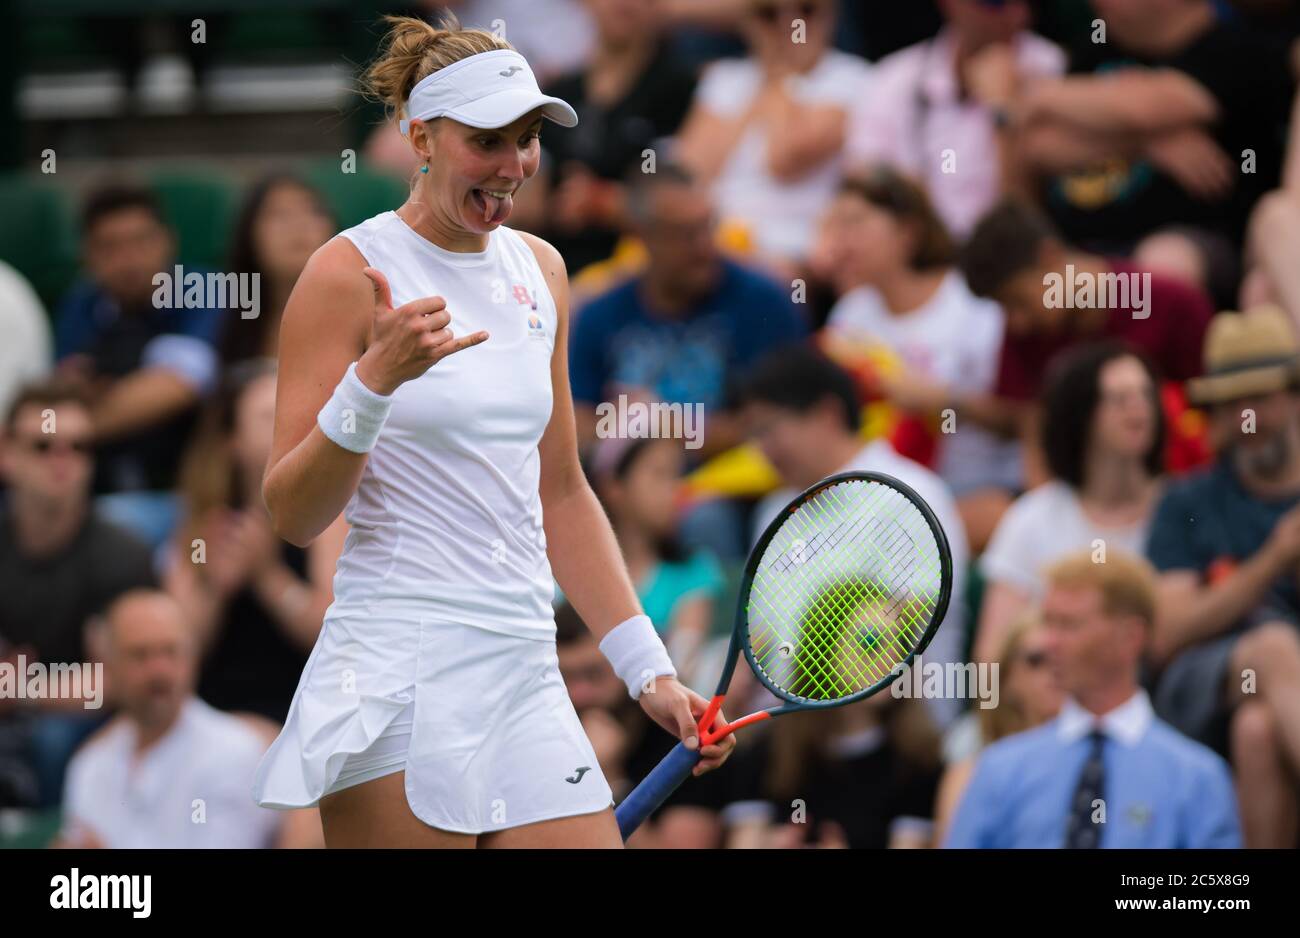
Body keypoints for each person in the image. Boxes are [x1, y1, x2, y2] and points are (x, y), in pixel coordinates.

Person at [250, 15, 733, 849]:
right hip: (395, 669)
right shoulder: (343, 274)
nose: (514, 167)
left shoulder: (543, 268)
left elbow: (562, 491)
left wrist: (648, 669)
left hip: (524, 666)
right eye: (487, 141)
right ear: (420, 138)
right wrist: (375, 382)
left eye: (528, 139)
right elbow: (292, 515)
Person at [739, 345, 971, 729]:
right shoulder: (771, 511)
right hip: (783, 740)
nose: (762, 450)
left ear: (827, 415)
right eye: (754, 434)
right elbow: (759, 637)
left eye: (769, 428)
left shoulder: (914, 494)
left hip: (897, 738)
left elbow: (913, 623)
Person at [945, 549, 1241, 848]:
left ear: (1130, 637)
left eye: (1069, 624)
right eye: (1049, 622)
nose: (1049, 642)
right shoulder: (1000, 769)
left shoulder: (1196, 779)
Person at [1146, 305, 1300, 848]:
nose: (1246, 416)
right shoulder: (1187, 501)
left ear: (1294, 395)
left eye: (1260, 396)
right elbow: (1167, 632)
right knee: (1274, 647)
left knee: (1258, 730)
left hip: (1271, 705)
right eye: (1231, 402)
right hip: (1203, 684)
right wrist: (1274, 559)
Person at [819, 167, 1021, 550]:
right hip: (877, 497)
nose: (840, 241)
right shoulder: (850, 314)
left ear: (907, 232)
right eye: (834, 226)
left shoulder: (972, 305)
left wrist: (942, 399)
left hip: (972, 487)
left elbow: (1017, 418)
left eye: (855, 223)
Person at [959, 198, 1213, 482]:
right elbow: (1029, 426)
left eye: (1017, 301)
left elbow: (1209, 418)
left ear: (1050, 257)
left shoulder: (1172, 303)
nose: (1016, 322)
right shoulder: (1025, 334)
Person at [1014, 0, 1294, 254]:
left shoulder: (1240, 48)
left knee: (1165, 258)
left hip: (1193, 242)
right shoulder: (1098, 44)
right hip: (1076, 247)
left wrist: (1040, 95)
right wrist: (1144, 145)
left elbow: (1144, 109)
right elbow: (1038, 143)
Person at [568, 163, 807, 459]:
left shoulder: (763, 303)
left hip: (725, 485)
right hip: (625, 486)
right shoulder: (599, 314)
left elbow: (781, 424)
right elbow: (576, 424)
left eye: (708, 226)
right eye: (685, 234)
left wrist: (662, 427)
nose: (704, 246)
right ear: (641, 236)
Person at [56, 590, 316, 848]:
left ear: (193, 658)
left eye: (171, 652)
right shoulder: (90, 764)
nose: (159, 670)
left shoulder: (235, 752)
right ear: (108, 664)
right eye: (140, 655)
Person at [0, 380, 156, 806]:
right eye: (42, 446)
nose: (61, 461)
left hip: (79, 724)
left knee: (55, 739)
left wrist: (23, 690)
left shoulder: (122, 554)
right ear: (6, 453)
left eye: (78, 447)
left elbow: (126, 676)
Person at [164, 361, 347, 723]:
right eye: (269, 416)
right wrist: (214, 588)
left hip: (296, 713)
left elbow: (331, 637)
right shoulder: (206, 522)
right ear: (233, 440)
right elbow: (175, 650)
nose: (291, 423)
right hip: (209, 714)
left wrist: (267, 578)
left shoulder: (328, 518)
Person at [977, 342, 1165, 663]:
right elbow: (992, 659)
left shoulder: (1181, 507)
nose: (1139, 409)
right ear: (1081, 413)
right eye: (1119, 398)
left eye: (1146, 394)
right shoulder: (1032, 518)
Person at [53, 184, 225, 500]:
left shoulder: (203, 289)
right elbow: (64, 388)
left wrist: (68, 430)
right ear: (87, 255)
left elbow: (178, 385)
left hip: (188, 490)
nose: (128, 259)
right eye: (110, 247)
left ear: (167, 241)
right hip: (96, 484)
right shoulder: (81, 304)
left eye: (140, 242)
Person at [673, 0, 873, 271]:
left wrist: (781, 78)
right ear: (746, 22)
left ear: (831, 14)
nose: (788, 25)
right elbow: (690, 172)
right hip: (714, 237)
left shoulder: (851, 77)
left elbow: (784, 160)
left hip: (790, 247)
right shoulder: (725, 77)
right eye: (768, 14)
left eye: (806, 9)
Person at [844, 0, 1065, 238]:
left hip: (1007, 256)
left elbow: (1026, 221)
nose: (1017, 14)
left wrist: (1003, 114)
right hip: (921, 258)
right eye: (996, 3)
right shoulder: (894, 78)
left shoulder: (1052, 67)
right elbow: (862, 183)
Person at [540, 0, 699, 273]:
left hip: (639, 263)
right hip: (550, 257)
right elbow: (528, 192)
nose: (623, 4)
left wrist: (603, 202)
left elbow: (686, 199)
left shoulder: (681, 90)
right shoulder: (560, 90)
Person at [587, 435, 725, 684]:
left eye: (677, 475)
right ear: (613, 487)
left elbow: (681, 665)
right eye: (659, 474)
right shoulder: (570, 570)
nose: (676, 489)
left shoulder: (694, 570)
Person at [933, 613, 1061, 845]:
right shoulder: (970, 774)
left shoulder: (1096, 763)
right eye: (1036, 660)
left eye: (1062, 658)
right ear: (1008, 678)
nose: (1054, 670)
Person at [219, 174, 335, 366]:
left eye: (313, 212)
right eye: (279, 214)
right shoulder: (218, 312)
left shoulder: (368, 310)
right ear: (249, 233)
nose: (299, 224)